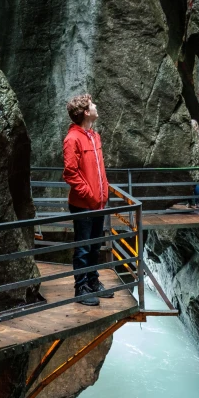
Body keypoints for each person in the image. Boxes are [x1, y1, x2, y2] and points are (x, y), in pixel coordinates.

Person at [62, 94, 112, 306]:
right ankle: (80, 288)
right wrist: (90, 194)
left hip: (98, 203)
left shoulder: (94, 136)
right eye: (92, 105)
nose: (96, 106)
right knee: (83, 247)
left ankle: (92, 281)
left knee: (95, 245)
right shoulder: (72, 139)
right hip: (83, 204)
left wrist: (104, 193)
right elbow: (70, 173)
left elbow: (99, 171)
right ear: (85, 112)